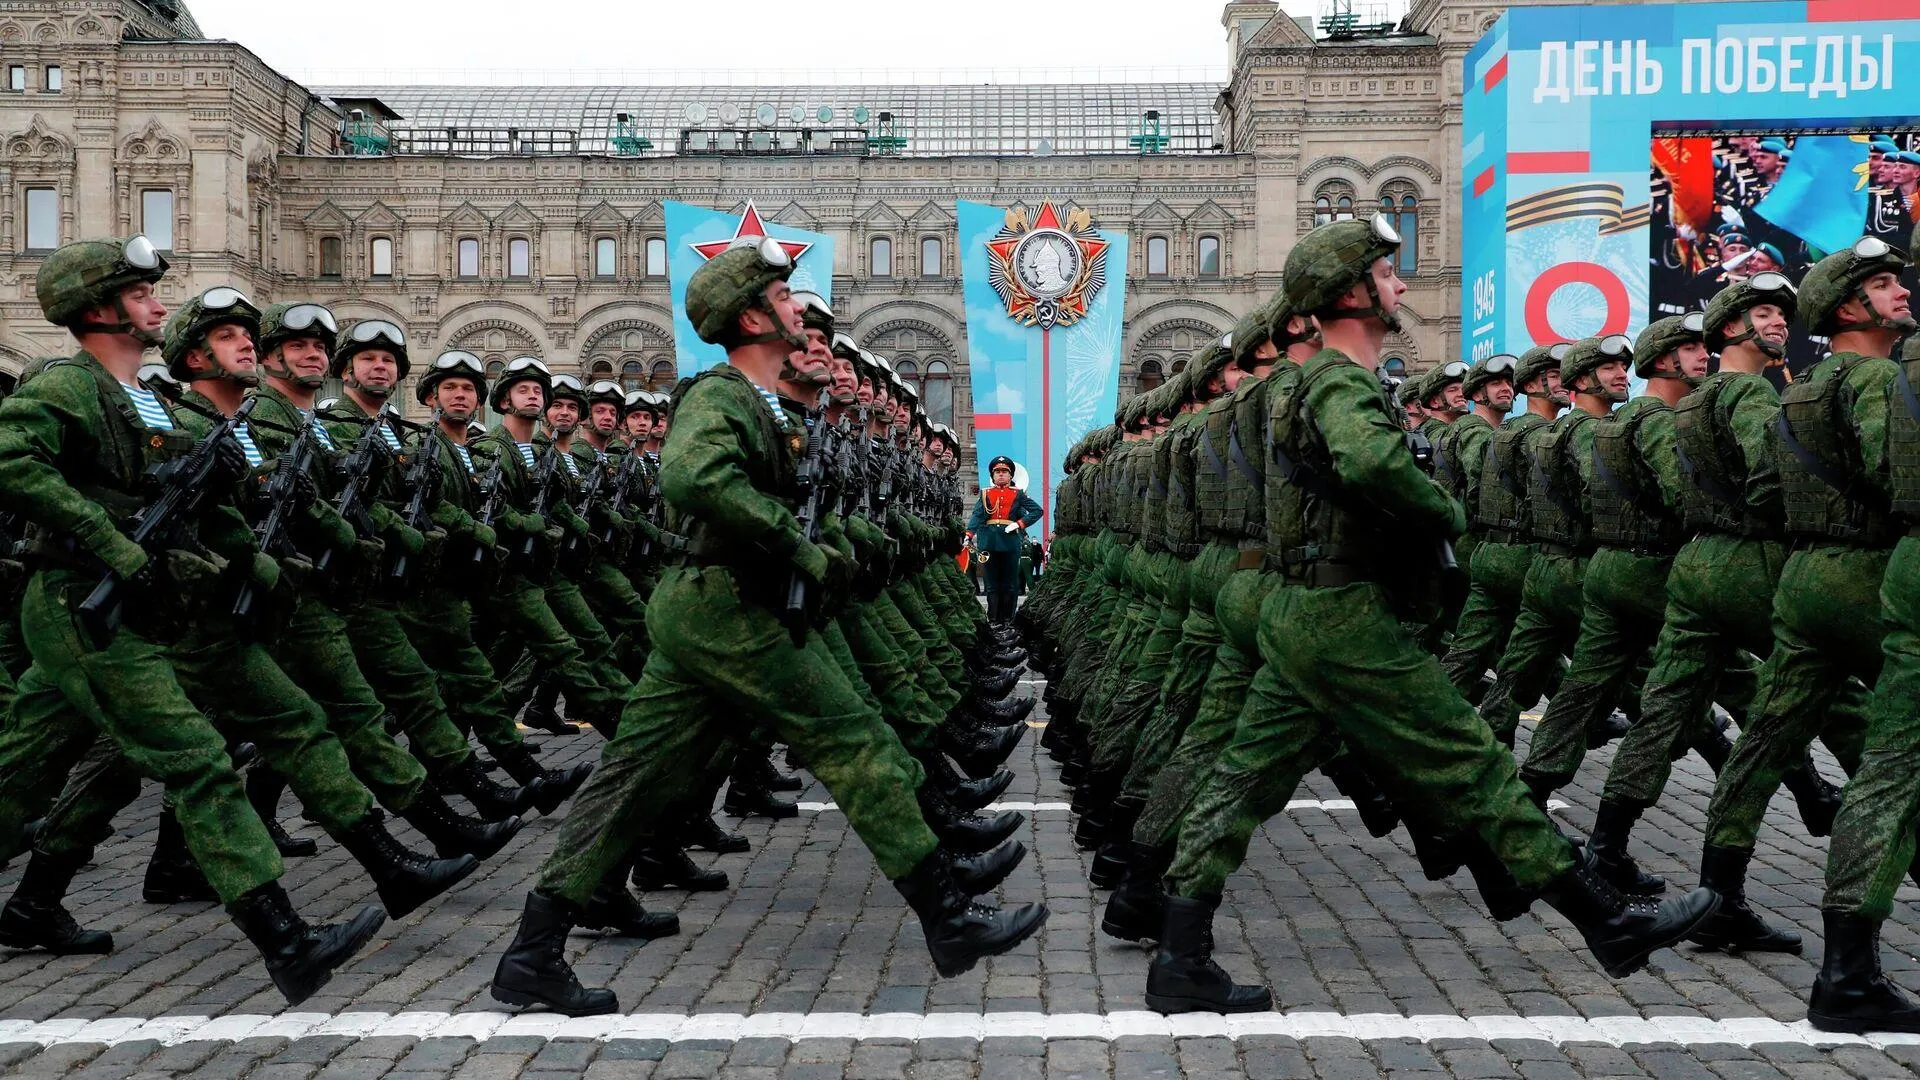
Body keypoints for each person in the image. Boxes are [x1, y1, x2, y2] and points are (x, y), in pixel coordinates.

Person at [1144, 214, 1717, 1014]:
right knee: (1472, 762)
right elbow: (1371, 460)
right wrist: (1442, 514)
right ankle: (1605, 916)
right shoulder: (1339, 380)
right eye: (1385, 273)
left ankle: (1178, 952)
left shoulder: (1306, 384)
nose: (1401, 283)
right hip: (1344, 618)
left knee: (1244, 780)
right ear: (1350, 291)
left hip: (1304, 610)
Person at [490, 238, 1046, 1017]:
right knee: (857, 743)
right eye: (784, 299)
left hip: (714, 607)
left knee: (634, 777)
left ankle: (532, 953)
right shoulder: (720, 396)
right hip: (731, 607)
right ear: (753, 316)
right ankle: (949, 920)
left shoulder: (755, 403)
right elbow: (692, 476)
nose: (798, 310)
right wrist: (796, 546)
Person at [0, 237, 383, 1004]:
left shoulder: (138, 395)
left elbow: (190, 498)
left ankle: (32, 905)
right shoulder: (68, 384)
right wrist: (113, 539)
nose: (157, 305)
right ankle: (287, 940)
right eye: (141, 294)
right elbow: (12, 459)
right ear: (99, 308)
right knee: (197, 757)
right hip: (81, 600)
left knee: (22, 771)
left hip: (126, 604)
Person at [968, 457, 1043, 624]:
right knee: (992, 584)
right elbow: (978, 515)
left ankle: (1008, 620)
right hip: (989, 543)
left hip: (1010, 542)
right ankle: (994, 620)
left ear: (1010, 476)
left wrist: (1019, 524)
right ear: (993, 476)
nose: (1001, 475)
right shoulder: (985, 493)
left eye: (1004, 472)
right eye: (997, 472)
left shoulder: (1018, 494)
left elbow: (1037, 511)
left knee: (1010, 584)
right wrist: (968, 535)